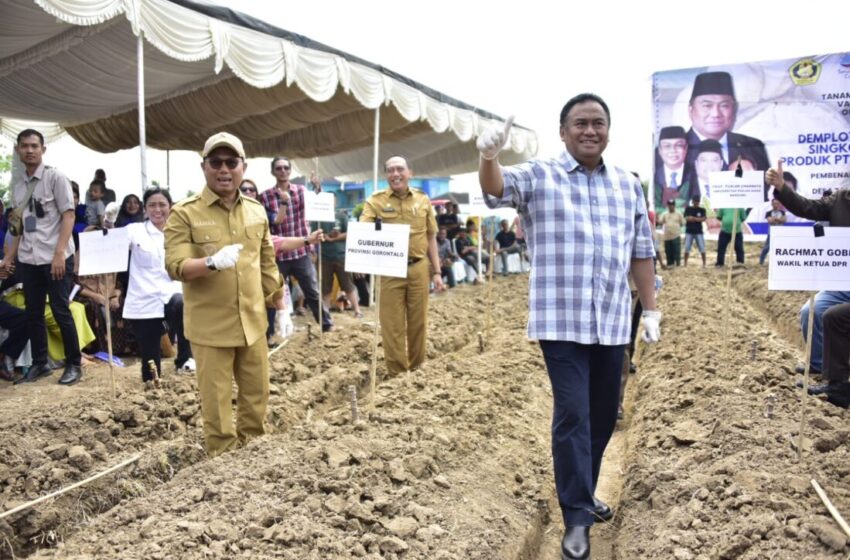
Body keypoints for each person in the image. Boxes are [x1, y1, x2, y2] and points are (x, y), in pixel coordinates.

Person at [477, 93, 660, 560]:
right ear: (564, 131)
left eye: (598, 123)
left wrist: (652, 308)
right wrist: (489, 156)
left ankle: (585, 490)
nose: (590, 131)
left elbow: (641, 252)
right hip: (561, 320)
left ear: (608, 131)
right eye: (580, 123)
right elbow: (496, 189)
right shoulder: (541, 176)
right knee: (574, 413)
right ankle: (576, 518)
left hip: (613, 320)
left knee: (602, 414)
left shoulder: (627, 185)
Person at [164, 132, 322, 456]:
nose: (224, 169)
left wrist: (281, 305)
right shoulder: (185, 213)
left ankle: (253, 459)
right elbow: (175, 265)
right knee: (218, 406)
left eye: (231, 162)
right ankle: (222, 464)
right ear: (204, 167)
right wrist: (210, 262)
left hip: (252, 322)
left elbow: (266, 262)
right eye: (216, 162)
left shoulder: (255, 211)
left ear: (243, 167)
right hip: (211, 327)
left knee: (256, 396)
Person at [6, 129, 82, 385]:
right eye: (25, 146)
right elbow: (17, 227)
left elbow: (69, 215)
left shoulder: (55, 178)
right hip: (29, 258)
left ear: (43, 149)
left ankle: (74, 364)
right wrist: (8, 258)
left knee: (61, 309)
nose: (29, 150)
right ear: (18, 150)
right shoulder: (17, 188)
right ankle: (41, 364)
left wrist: (59, 254)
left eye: (34, 146)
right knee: (33, 312)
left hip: (56, 255)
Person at [359, 155, 445, 375]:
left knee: (418, 323)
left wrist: (437, 272)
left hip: (418, 267)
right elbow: (363, 231)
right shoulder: (375, 201)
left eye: (399, 169)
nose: (395, 174)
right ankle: (397, 374)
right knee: (392, 325)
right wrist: (361, 257)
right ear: (386, 175)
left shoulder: (422, 199)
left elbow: (431, 236)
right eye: (390, 170)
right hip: (389, 270)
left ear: (410, 173)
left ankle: (417, 370)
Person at [766, 159, 850, 379]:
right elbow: (807, 207)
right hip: (843, 280)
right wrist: (782, 188)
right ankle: (819, 365)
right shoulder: (840, 199)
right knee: (810, 311)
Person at [109, 187, 196, 387]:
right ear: (145, 209)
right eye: (152, 205)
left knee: (181, 303)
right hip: (144, 299)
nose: (157, 209)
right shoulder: (135, 230)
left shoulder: (180, 232)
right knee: (150, 362)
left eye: (162, 205)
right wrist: (108, 222)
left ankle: (184, 360)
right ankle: (152, 389)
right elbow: (112, 243)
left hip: (171, 294)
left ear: (170, 207)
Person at [258, 157, 332, 332]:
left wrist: (317, 187)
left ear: (290, 171)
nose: (282, 171)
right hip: (278, 254)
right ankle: (268, 333)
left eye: (285, 168)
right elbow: (272, 223)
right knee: (272, 293)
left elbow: (318, 203)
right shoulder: (265, 196)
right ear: (273, 172)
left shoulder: (301, 190)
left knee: (312, 291)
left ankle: (326, 326)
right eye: (279, 168)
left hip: (301, 252)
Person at [684, 71, 770, 173]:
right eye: (707, 105)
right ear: (691, 110)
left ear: (734, 110)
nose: (716, 114)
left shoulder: (753, 146)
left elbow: (768, 188)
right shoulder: (674, 150)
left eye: (724, 105)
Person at [316, 208, 362, 319]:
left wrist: (334, 238)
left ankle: (357, 310)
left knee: (348, 285)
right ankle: (325, 313)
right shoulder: (317, 217)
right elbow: (314, 235)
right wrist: (324, 237)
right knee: (325, 287)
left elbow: (349, 233)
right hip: (324, 256)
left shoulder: (341, 216)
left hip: (342, 255)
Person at [654, 126, 694, 214]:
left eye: (679, 145)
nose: (673, 150)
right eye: (667, 146)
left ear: (686, 148)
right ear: (660, 150)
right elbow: (653, 210)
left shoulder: (696, 175)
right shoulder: (654, 177)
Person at [758, 198, 787, 265]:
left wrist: (775, 219)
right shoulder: (768, 213)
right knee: (767, 248)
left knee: (781, 248)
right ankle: (761, 262)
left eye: (777, 203)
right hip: (771, 233)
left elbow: (784, 220)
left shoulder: (783, 212)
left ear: (779, 204)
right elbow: (770, 221)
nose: (776, 205)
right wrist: (779, 219)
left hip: (780, 233)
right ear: (772, 204)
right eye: (774, 203)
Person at [657, 199, 685, 267]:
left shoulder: (679, 213)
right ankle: (670, 264)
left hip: (676, 235)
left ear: (674, 205)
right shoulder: (664, 214)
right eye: (669, 205)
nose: (671, 206)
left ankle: (678, 264)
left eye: (672, 205)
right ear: (668, 206)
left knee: (676, 250)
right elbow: (660, 222)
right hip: (667, 236)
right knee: (668, 251)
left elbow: (682, 223)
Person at [682, 195, 707, 267]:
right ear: (692, 201)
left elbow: (703, 218)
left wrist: (693, 218)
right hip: (689, 231)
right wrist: (696, 219)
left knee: (702, 247)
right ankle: (685, 263)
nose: (696, 202)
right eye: (695, 201)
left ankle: (704, 263)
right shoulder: (688, 209)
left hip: (699, 231)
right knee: (687, 247)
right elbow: (686, 218)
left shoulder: (702, 210)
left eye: (698, 201)